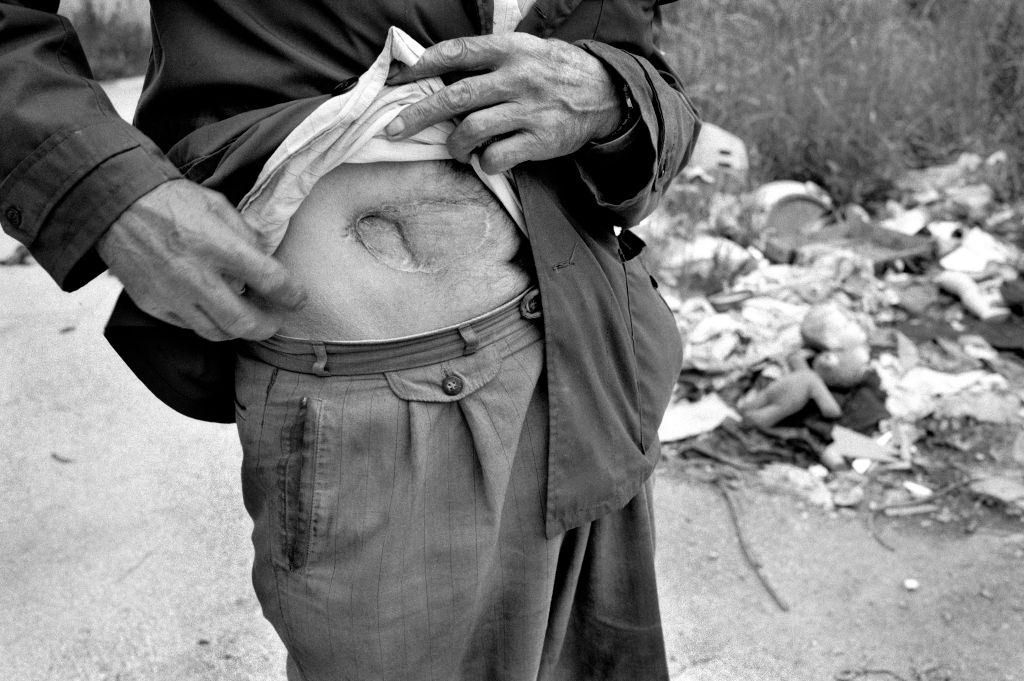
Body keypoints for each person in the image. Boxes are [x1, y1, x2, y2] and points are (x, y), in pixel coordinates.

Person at [0, 1, 701, 679]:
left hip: (596, 351)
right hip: (376, 401)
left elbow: (646, 67)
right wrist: (111, 191)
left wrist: (615, 96)